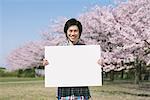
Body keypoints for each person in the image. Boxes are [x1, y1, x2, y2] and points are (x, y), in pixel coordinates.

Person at [43, 18, 101, 100]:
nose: (73, 33)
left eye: (75, 31)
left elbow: (90, 70)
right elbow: (55, 70)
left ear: (79, 32)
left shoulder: (86, 49)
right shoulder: (59, 49)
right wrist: (48, 64)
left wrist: (97, 64)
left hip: (82, 93)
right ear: (66, 32)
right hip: (64, 94)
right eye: (70, 31)